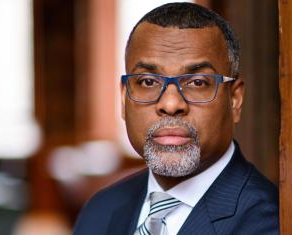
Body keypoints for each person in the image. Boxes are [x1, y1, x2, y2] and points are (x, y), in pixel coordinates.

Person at [73, 2, 279, 235]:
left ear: (235, 100)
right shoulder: (101, 209)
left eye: (197, 83)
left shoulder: (270, 223)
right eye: (148, 82)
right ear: (124, 98)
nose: (171, 105)